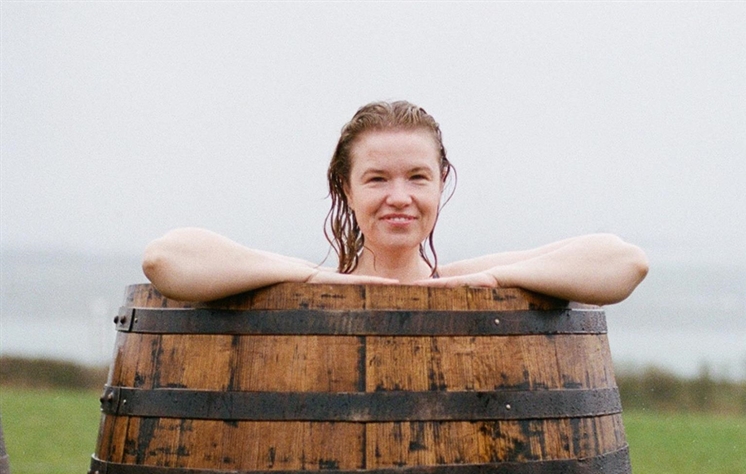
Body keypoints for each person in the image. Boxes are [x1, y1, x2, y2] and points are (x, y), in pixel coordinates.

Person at [143, 101, 648, 305]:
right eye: (377, 179)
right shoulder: (304, 275)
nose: (399, 198)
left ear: (441, 183)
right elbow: (165, 259)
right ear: (345, 188)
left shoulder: (465, 274)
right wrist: (320, 279)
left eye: (418, 178)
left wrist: (497, 279)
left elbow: (625, 263)